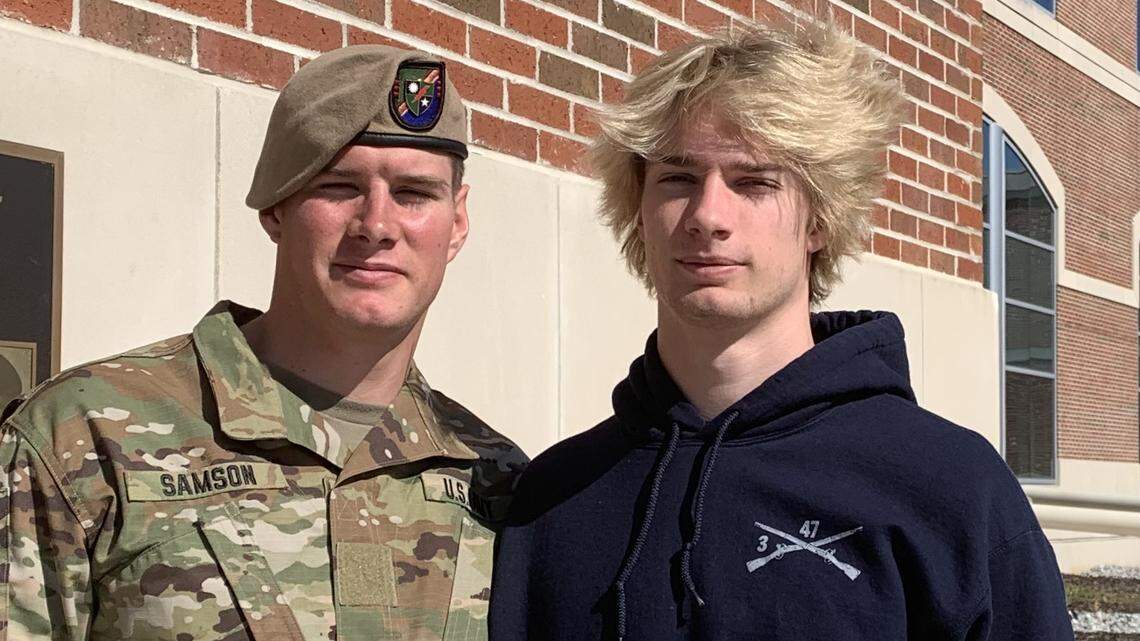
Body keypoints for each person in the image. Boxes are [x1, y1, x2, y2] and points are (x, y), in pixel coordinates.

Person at [489, 20, 1072, 641]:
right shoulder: (553, 498)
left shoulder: (951, 488)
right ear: (639, 210)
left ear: (819, 220)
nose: (708, 215)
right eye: (678, 179)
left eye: (755, 182)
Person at [0, 45, 527, 641]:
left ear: (456, 222)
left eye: (413, 194)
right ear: (275, 206)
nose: (377, 225)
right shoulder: (84, 435)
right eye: (339, 186)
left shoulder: (495, 477)